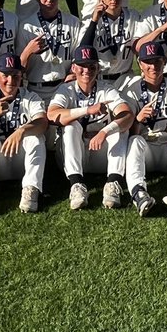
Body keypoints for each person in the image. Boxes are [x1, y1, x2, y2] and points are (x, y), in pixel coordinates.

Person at [46, 45, 135, 210]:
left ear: (98, 68)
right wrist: (86, 110)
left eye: (91, 66)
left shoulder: (106, 89)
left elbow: (127, 115)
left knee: (120, 128)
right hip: (73, 154)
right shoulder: (66, 89)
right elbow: (52, 115)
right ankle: (77, 185)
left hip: (99, 150)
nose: (86, 70)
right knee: (71, 126)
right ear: (73, 67)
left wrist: (104, 131)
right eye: (82, 66)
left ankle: (112, 184)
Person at [0, 53, 49, 216]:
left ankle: (31, 189)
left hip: (22, 160)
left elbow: (42, 122)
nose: (11, 81)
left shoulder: (30, 96)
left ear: (21, 76)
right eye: (5, 75)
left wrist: (22, 130)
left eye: (15, 75)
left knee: (35, 137)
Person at [120, 42, 167, 216]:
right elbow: (127, 133)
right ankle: (138, 193)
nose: (153, 66)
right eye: (148, 62)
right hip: (147, 149)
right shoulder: (130, 92)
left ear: (165, 61)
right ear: (140, 64)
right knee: (134, 141)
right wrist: (137, 120)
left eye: (157, 61)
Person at [18, 0, 80, 100]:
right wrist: (28, 51)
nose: (49, 0)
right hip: (36, 89)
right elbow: (19, 69)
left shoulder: (73, 23)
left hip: (65, 87)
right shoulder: (27, 26)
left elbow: (78, 55)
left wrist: (74, 73)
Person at [77, 0, 144, 87]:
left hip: (125, 78)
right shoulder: (91, 19)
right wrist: (94, 21)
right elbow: (83, 48)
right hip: (99, 79)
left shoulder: (133, 16)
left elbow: (141, 45)